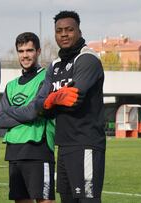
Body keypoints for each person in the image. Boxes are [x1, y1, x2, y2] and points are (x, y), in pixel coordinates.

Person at [42, 11, 106, 203]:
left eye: (69, 30)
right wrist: (52, 101)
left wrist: (51, 100)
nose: (64, 34)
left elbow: (74, 98)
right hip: (64, 145)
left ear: (79, 31)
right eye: (59, 31)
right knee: (67, 200)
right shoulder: (55, 66)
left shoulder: (87, 59)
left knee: (87, 200)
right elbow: (41, 107)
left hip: (86, 144)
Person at [0, 32, 55, 203]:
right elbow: (0, 120)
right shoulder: (11, 85)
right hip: (14, 151)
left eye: (29, 50)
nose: (25, 55)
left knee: (44, 200)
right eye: (21, 51)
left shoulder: (46, 78)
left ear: (38, 52)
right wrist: (28, 113)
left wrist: (15, 111)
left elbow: (33, 112)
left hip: (38, 149)